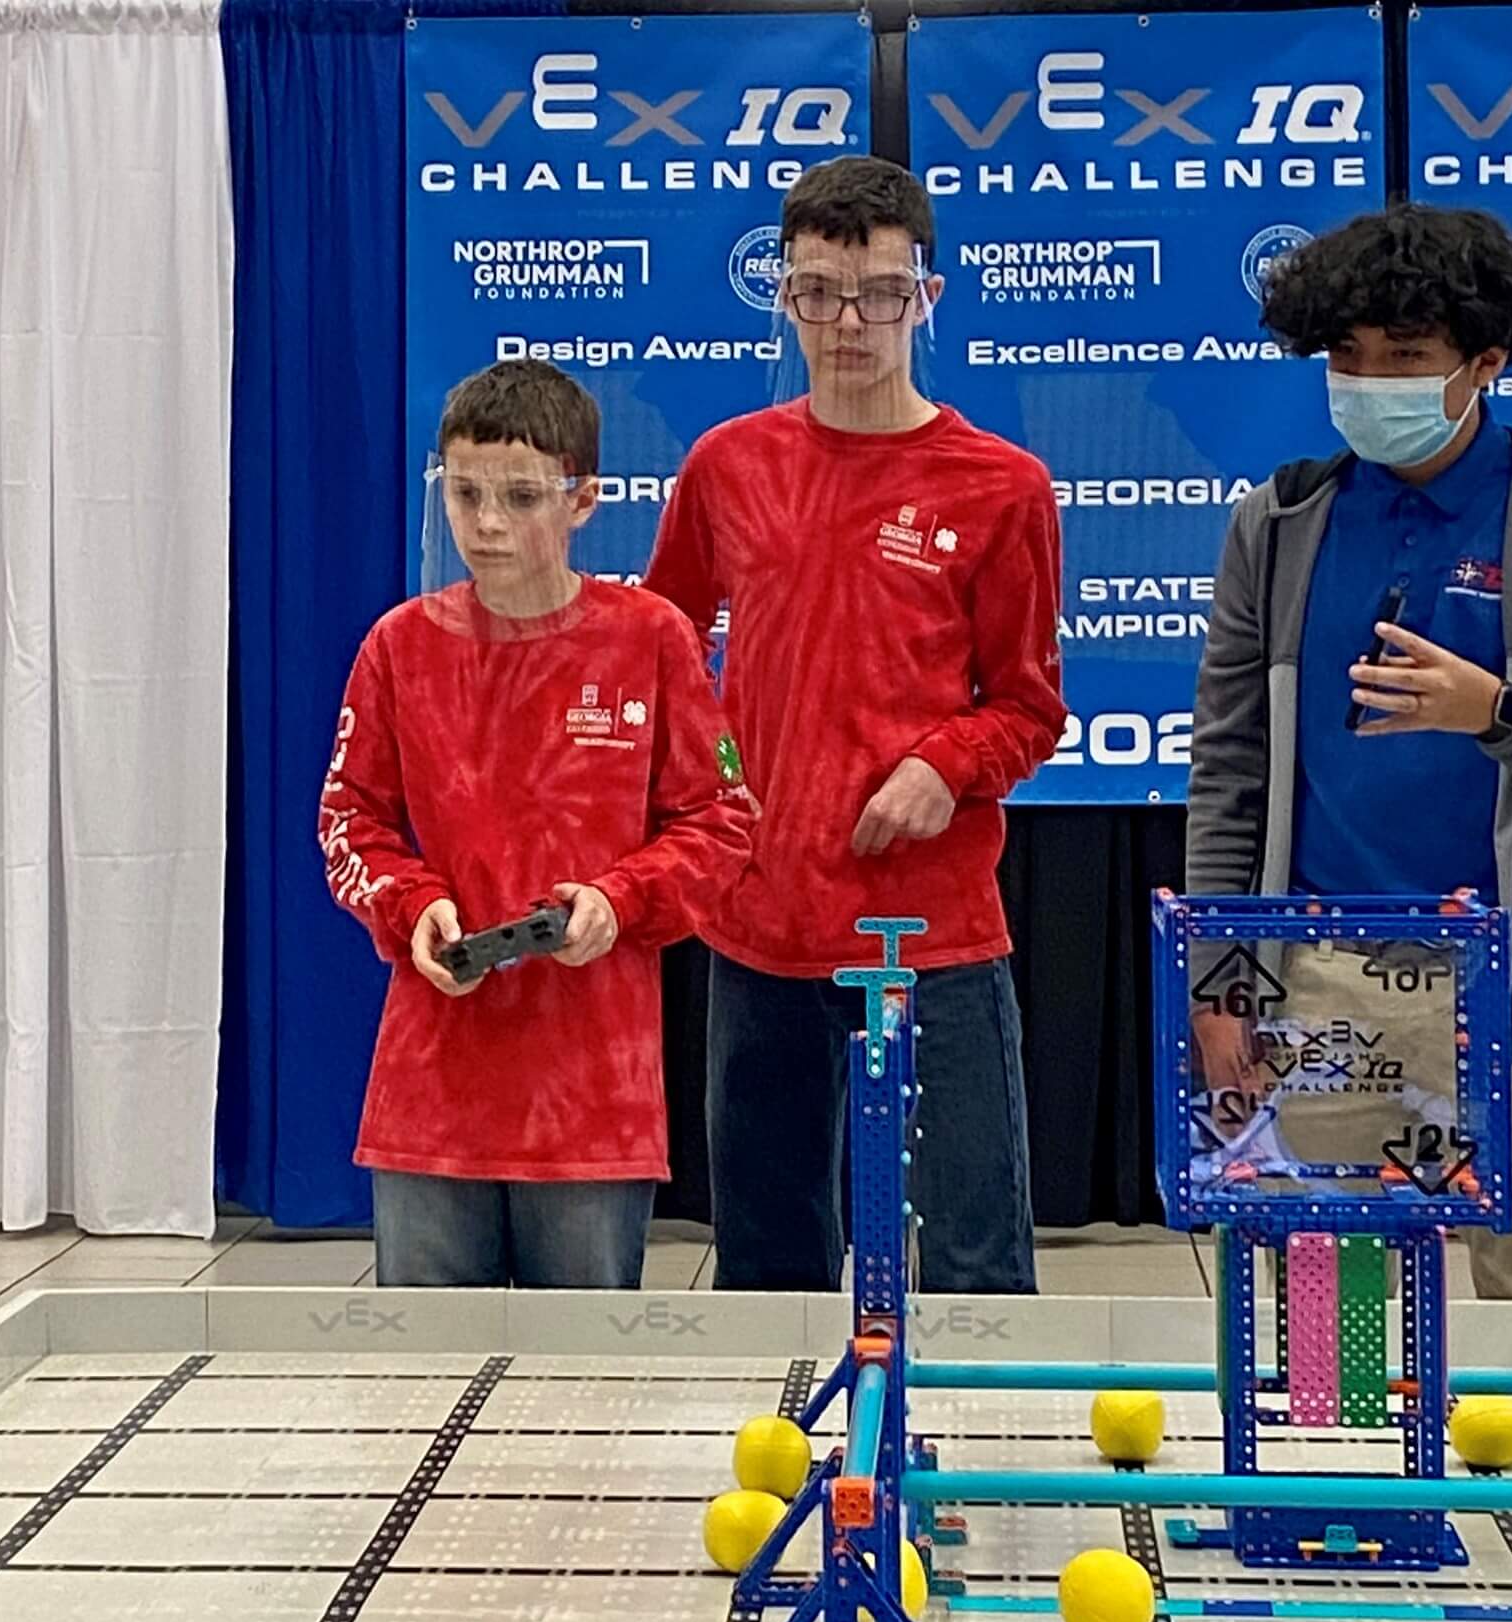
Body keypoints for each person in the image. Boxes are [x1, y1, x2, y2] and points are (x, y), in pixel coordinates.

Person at [645, 156, 1066, 1293]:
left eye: (880, 291)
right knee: (769, 1258)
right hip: (761, 924)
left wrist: (946, 761)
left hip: (929, 932)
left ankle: (985, 1467)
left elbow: (1030, 706)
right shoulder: (728, 465)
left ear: (926, 296)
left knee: (977, 1255)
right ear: (783, 295)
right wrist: (717, 779)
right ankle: (785, 1466)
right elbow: (663, 653)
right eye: (819, 289)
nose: (848, 320)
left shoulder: (1001, 484)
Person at [1188, 203, 1512, 1300]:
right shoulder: (1281, 521)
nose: (1370, 381)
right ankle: (1345, 1478)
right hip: (1322, 990)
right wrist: (1219, 986)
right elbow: (1230, 774)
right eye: (1348, 357)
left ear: (1487, 361)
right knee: (1334, 1346)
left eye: (1406, 357)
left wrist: (1498, 712)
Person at [320, 359, 753, 1289]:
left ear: (584, 499)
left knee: (586, 1388)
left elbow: (720, 823)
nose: (486, 524)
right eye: (465, 493)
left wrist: (618, 900)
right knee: (425, 1378)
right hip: (434, 1085)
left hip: (591, 1090)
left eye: (519, 497)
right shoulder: (400, 646)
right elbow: (349, 821)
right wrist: (410, 903)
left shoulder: (649, 639)